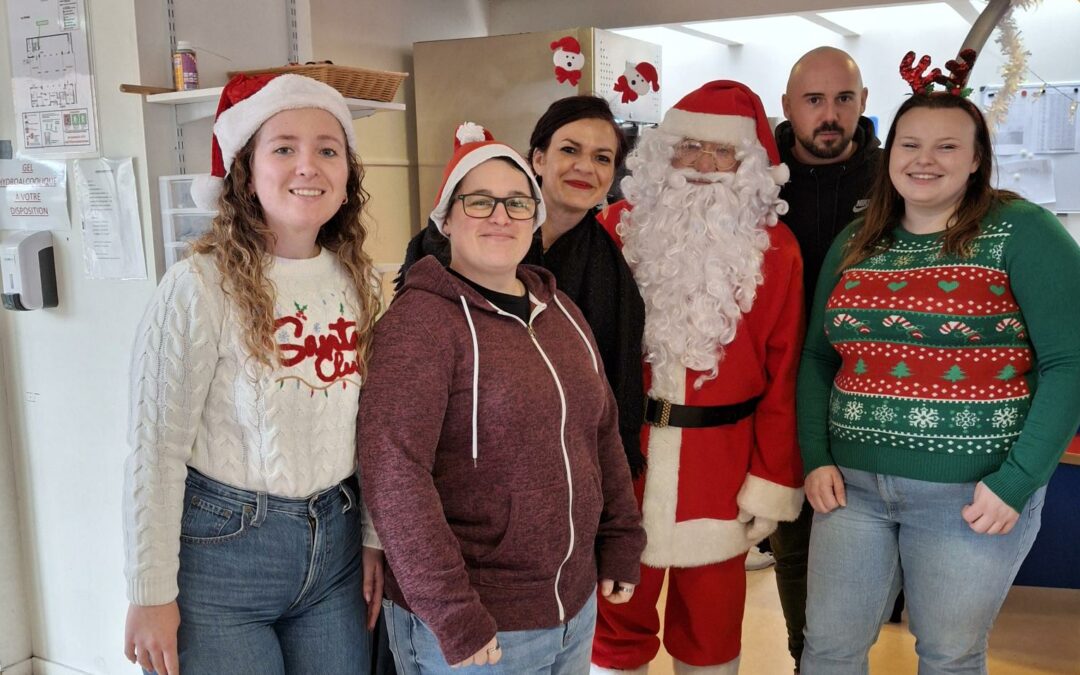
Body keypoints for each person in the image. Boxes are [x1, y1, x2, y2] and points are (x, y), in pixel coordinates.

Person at [797, 80, 1080, 674]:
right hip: (851, 491)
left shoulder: (1022, 231)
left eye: (947, 146)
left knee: (949, 656)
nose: (924, 160)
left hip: (970, 495)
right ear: (890, 153)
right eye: (910, 144)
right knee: (827, 650)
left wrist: (1017, 481)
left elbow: (1070, 362)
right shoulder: (858, 240)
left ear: (976, 159)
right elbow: (820, 357)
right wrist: (816, 456)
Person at [359, 125, 646, 674]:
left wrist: (620, 538)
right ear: (446, 218)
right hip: (479, 626)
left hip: (573, 608)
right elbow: (395, 474)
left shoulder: (559, 311)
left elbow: (601, 432)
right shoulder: (419, 323)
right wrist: (453, 613)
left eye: (517, 202)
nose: (501, 216)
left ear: (534, 217)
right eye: (480, 201)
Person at [122, 73, 384, 674]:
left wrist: (373, 537)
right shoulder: (197, 286)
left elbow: (375, 431)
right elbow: (154, 449)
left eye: (328, 150)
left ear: (348, 176)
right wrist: (149, 591)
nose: (308, 166)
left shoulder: (360, 283)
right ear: (246, 172)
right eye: (284, 147)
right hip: (223, 561)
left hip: (337, 551)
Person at [591, 80, 806, 675]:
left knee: (711, 630)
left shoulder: (777, 250)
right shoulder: (615, 229)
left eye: (723, 153)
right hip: (625, 463)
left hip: (722, 470)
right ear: (665, 154)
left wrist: (770, 478)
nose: (705, 166)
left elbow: (785, 373)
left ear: (749, 166)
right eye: (690, 147)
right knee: (614, 624)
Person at [397, 96, 647, 478]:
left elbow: (614, 398)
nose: (585, 167)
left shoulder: (614, 274)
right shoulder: (458, 244)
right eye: (570, 150)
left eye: (602, 158)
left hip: (569, 470)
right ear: (538, 159)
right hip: (464, 463)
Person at [769, 46, 884, 669]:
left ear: (863, 102)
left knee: (872, 549)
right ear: (788, 106)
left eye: (844, 99)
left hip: (876, 396)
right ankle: (804, 659)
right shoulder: (756, 182)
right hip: (784, 396)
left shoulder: (894, 180)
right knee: (797, 543)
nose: (830, 115)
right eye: (814, 100)